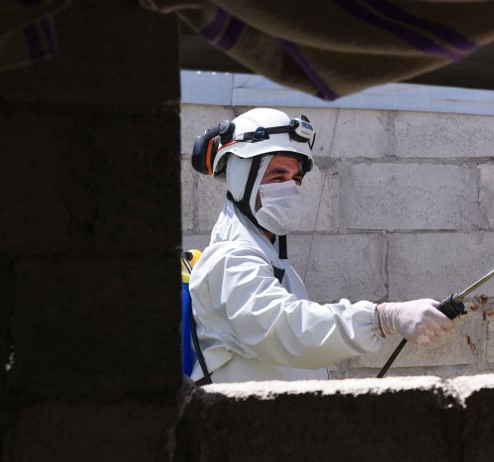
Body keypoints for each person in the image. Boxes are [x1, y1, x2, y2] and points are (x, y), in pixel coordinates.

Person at [187, 107, 454, 384]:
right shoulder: (231, 259)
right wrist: (381, 318)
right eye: (277, 177)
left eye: (296, 179)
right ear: (243, 179)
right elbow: (289, 330)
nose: (289, 189)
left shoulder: (270, 261)